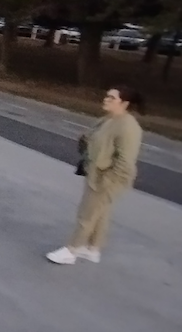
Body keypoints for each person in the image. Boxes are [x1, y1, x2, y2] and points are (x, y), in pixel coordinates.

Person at [46, 85, 145, 265]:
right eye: (107, 96)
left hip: (108, 178)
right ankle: (93, 249)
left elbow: (125, 161)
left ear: (124, 103)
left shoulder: (128, 127)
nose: (106, 99)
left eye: (112, 98)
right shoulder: (108, 119)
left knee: (87, 214)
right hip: (97, 172)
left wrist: (107, 181)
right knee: (101, 213)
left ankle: (71, 250)